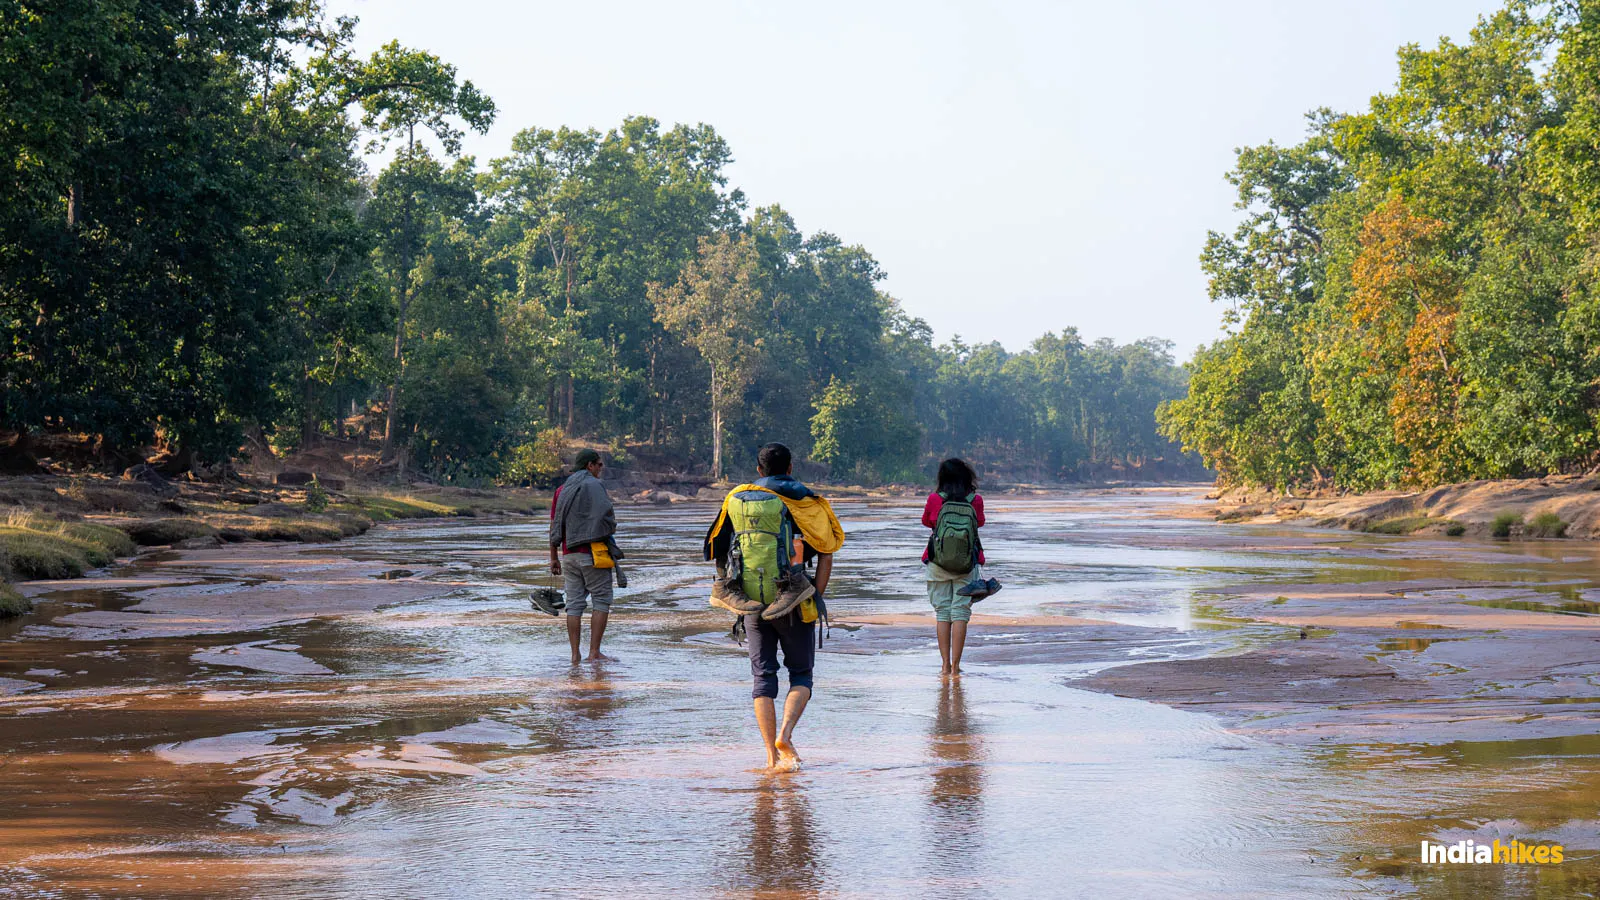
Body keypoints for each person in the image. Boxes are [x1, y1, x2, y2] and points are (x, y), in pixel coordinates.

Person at [704, 442, 845, 772]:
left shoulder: (737, 499)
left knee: (763, 679)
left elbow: (715, 548)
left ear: (759, 470)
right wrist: (813, 595)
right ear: (790, 468)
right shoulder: (805, 501)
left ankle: (770, 756)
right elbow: (827, 552)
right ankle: (785, 735)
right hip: (793, 600)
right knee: (801, 675)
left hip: (751, 601)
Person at [922, 457, 999, 677]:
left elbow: (926, 521)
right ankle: (956, 666)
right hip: (966, 562)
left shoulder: (935, 499)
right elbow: (980, 522)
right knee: (960, 613)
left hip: (938, 561)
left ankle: (945, 665)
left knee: (942, 612)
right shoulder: (975, 500)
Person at [547, 449, 621, 664]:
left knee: (574, 605)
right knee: (601, 600)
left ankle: (574, 656)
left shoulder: (561, 490)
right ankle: (594, 652)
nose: (600, 469)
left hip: (568, 555)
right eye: (599, 464)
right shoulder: (595, 485)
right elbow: (606, 516)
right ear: (590, 465)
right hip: (593, 554)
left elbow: (554, 525)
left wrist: (554, 557)